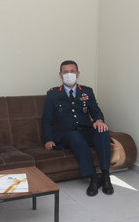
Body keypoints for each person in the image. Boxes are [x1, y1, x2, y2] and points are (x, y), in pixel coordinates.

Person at [43, 60, 113, 196]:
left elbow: (95, 110)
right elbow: (47, 119)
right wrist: (48, 139)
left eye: (72, 71)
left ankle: (105, 176)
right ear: (60, 75)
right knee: (74, 136)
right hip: (65, 135)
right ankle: (93, 178)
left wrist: (99, 120)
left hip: (85, 131)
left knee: (103, 131)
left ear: (78, 73)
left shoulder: (87, 92)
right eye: (65, 72)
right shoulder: (53, 94)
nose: (69, 74)